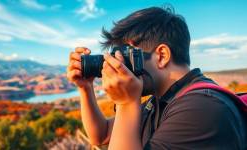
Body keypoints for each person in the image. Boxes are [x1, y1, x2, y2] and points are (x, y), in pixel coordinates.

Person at [67, 6, 246, 150]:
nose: (117, 63)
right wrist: (85, 87)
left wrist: (127, 103)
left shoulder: (202, 108)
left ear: (161, 55)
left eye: (124, 55)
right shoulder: (162, 100)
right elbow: (102, 135)